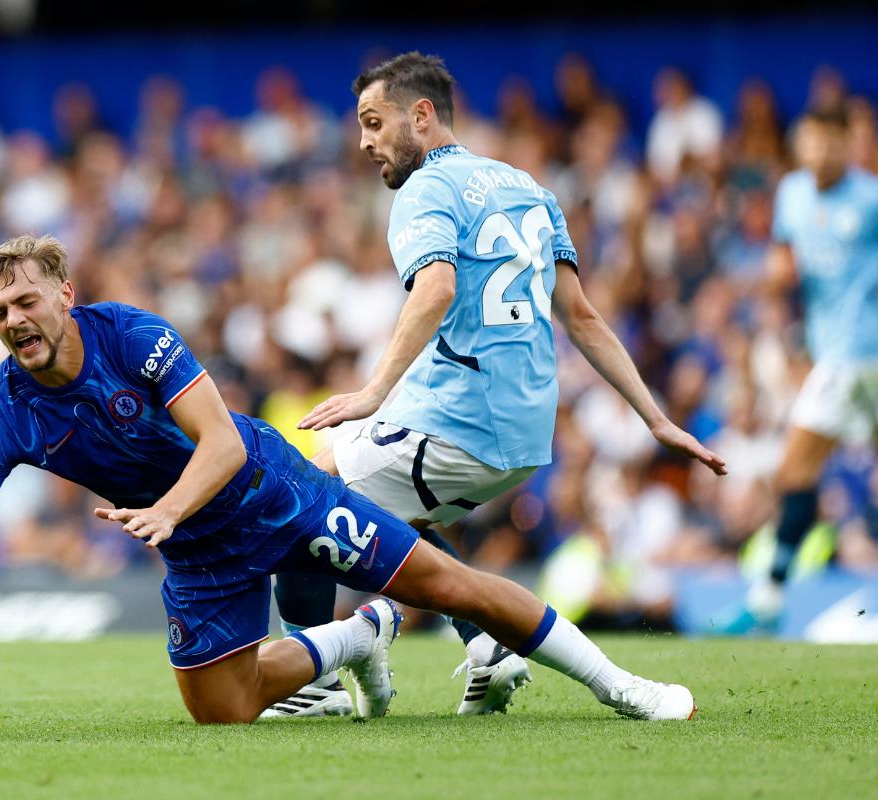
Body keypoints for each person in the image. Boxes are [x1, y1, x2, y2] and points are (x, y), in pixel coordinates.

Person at [0, 233, 699, 724]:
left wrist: (167, 511)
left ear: (64, 296)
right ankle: (360, 637)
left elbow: (217, 442)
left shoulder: (134, 336)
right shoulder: (6, 412)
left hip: (268, 492)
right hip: (195, 546)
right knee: (224, 711)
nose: (13, 322)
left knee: (448, 585)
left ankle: (623, 686)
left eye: (24, 301)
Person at [267, 52, 726, 719]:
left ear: (421, 117)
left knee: (299, 502)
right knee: (380, 515)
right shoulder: (527, 187)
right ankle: (484, 645)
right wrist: (653, 418)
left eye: (374, 122)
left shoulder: (426, 188)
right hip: (523, 433)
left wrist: (370, 393)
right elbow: (583, 317)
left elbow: (436, 288)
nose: (364, 141)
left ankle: (317, 685)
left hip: (459, 422)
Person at [740, 108, 878, 629]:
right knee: (798, 471)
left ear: (849, 145)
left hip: (858, 353)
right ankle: (771, 596)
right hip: (832, 351)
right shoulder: (793, 194)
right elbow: (784, 260)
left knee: (794, 469)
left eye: (832, 144)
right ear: (801, 146)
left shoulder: (870, 200)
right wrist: (773, 284)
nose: (822, 154)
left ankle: (768, 599)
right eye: (812, 144)